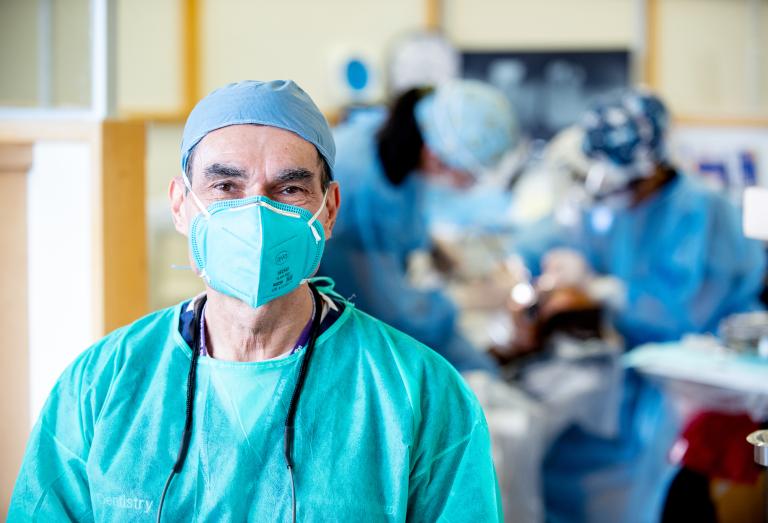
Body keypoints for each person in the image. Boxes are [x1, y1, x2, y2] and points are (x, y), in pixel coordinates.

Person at [9, 80, 502, 522]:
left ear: (328, 211)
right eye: (226, 186)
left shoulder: (423, 395)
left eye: (288, 189)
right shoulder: (100, 385)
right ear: (182, 205)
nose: (255, 214)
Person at [512, 89, 767, 523]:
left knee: (658, 484)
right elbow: (553, 235)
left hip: (692, 375)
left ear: (653, 167)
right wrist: (517, 264)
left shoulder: (702, 212)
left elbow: (687, 313)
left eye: (623, 183)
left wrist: (605, 289)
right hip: (622, 365)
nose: (611, 191)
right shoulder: (611, 196)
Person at [319, 80, 518, 374]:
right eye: (468, 176)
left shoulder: (395, 149)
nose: (467, 186)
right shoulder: (359, 183)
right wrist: (461, 302)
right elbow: (391, 311)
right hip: (346, 337)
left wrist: (438, 251)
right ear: (436, 157)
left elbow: (405, 218)